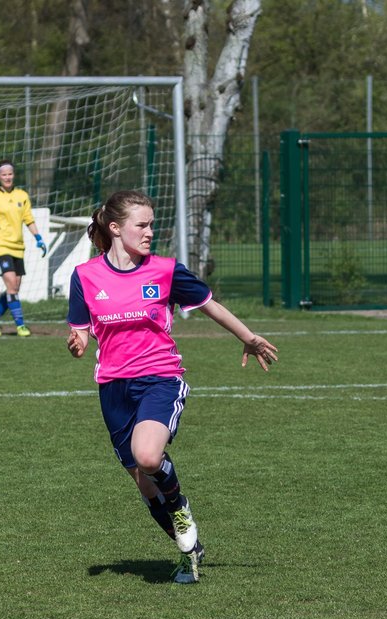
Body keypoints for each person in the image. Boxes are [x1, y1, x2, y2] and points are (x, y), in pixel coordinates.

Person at [66, 190, 278, 583]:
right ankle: (188, 553)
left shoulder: (164, 270)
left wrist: (247, 337)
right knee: (146, 486)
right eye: (141, 225)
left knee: (148, 456)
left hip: (160, 378)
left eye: (151, 225)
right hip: (113, 387)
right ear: (115, 228)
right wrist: (77, 343)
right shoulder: (85, 276)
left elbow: (209, 304)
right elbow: (80, 329)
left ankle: (180, 504)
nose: (150, 232)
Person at [0, 159, 47, 338]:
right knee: (12, 285)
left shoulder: (22, 196)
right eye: (3, 174)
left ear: (14, 175)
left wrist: (38, 238)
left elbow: (28, 219)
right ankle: (20, 326)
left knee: (15, 287)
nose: (7, 177)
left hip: (18, 248)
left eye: (10, 174)